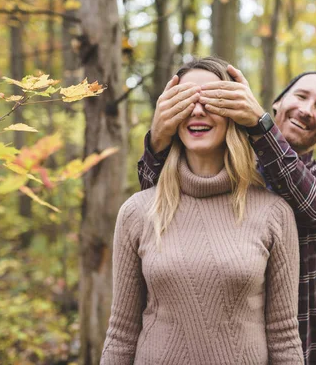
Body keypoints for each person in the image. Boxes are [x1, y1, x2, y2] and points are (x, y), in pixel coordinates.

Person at [138, 63, 316, 364]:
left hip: (295, 346)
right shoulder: (227, 166)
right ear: (277, 103)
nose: (306, 109)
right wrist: (158, 141)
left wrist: (261, 127)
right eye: (301, 96)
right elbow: (156, 208)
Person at [101, 57, 304, 364]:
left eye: (211, 99)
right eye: (185, 101)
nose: (197, 110)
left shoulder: (274, 213)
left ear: (235, 111)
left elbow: (284, 336)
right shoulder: (137, 211)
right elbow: (121, 333)